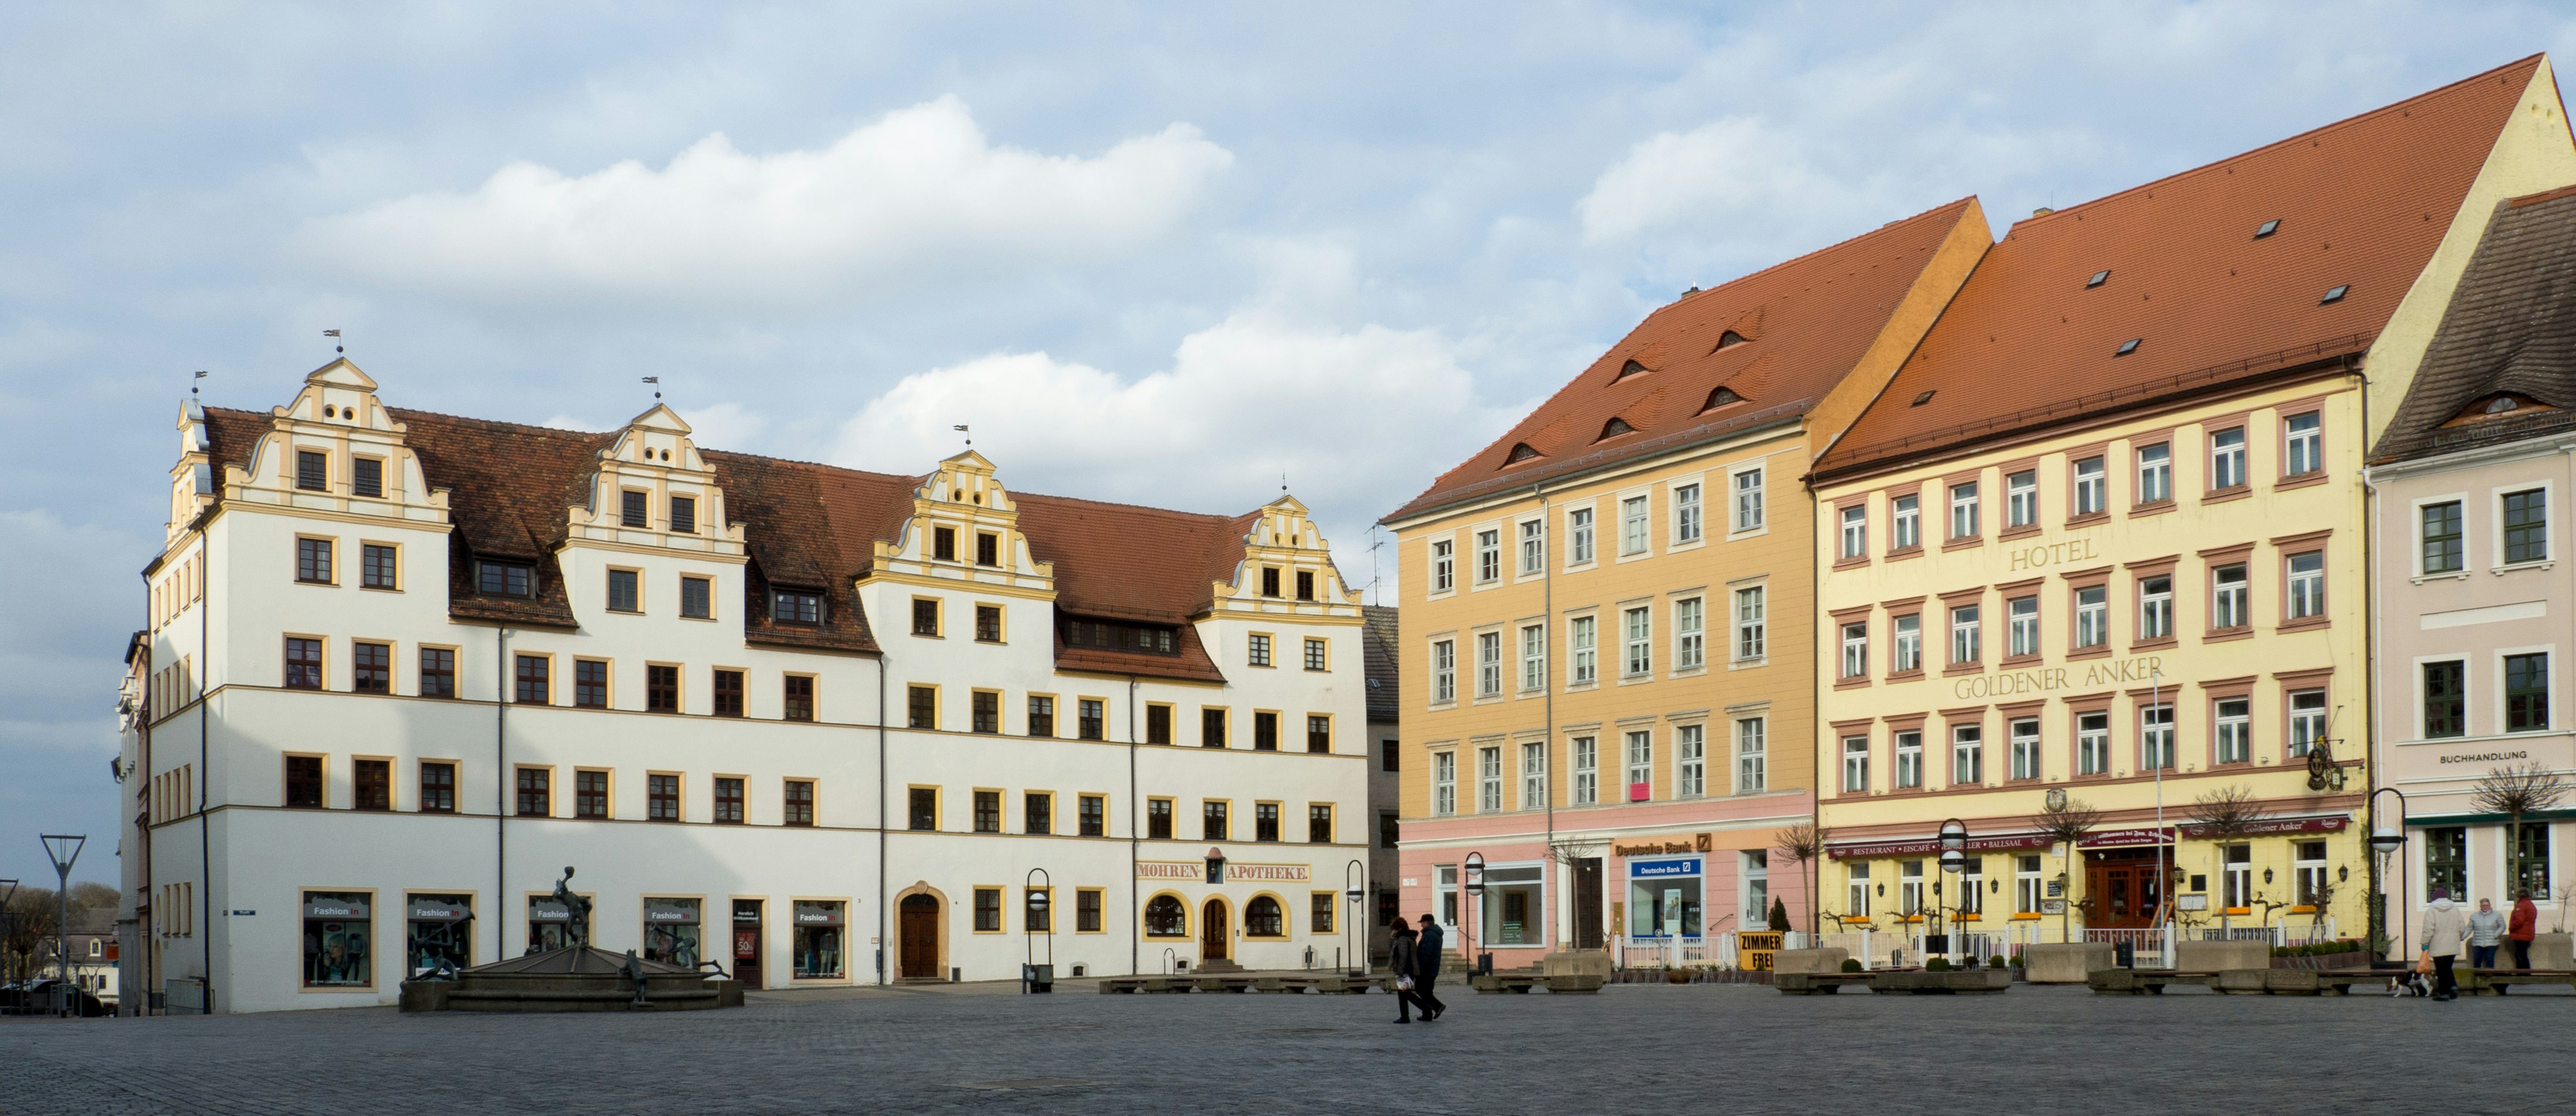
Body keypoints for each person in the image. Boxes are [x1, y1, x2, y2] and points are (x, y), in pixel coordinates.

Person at [2421, 888, 2470, 1001]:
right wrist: (2459, 937)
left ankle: (2444, 993)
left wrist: (2424, 943)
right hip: (2453, 943)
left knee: (2441, 970)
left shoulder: (2431, 910)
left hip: (2438, 944)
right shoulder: (2455, 909)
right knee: (2447, 967)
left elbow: (2429, 929)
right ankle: (2452, 987)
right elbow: (2462, 926)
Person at [1386, 916, 1425, 1023]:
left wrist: (1400, 971)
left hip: (1406, 970)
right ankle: (1423, 1009)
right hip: (1410, 969)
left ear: (1398, 928)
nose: (1393, 931)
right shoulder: (1408, 937)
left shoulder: (1402, 938)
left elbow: (1403, 955)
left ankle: (1407, 1016)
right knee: (1405, 993)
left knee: (1403, 993)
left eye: (1394, 929)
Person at [1413, 913, 1449, 1020]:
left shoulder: (1429, 935)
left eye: (1422, 923)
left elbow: (1425, 953)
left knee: (1420, 989)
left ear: (1426, 923)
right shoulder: (1436, 934)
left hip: (1426, 969)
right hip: (1432, 968)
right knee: (1427, 991)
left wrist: (1420, 968)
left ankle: (1438, 1006)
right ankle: (1427, 1014)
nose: (1421, 925)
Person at [2468, 898, 2505, 971]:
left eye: (2487, 905)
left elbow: (2502, 926)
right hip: (2478, 942)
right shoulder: (2474, 916)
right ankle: (2477, 978)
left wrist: (2495, 935)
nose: (2485, 907)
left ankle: (2489, 977)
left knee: (2490, 960)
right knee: (2477, 961)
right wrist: (2462, 937)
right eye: (2483, 905)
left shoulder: (2497, 915)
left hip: (2491, 942)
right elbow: (2469, 928)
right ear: (2480, 906)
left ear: (2490, 906)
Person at [2509, 889, 2539, 971]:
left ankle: (2524, 974)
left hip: (2520, 934)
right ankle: (2524, 973)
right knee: (2522, 954)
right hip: (2528, 933)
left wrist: (2511, 927)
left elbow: (2519, 920)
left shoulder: (2521, 905)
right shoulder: (2531, 905)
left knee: (2521, 956)